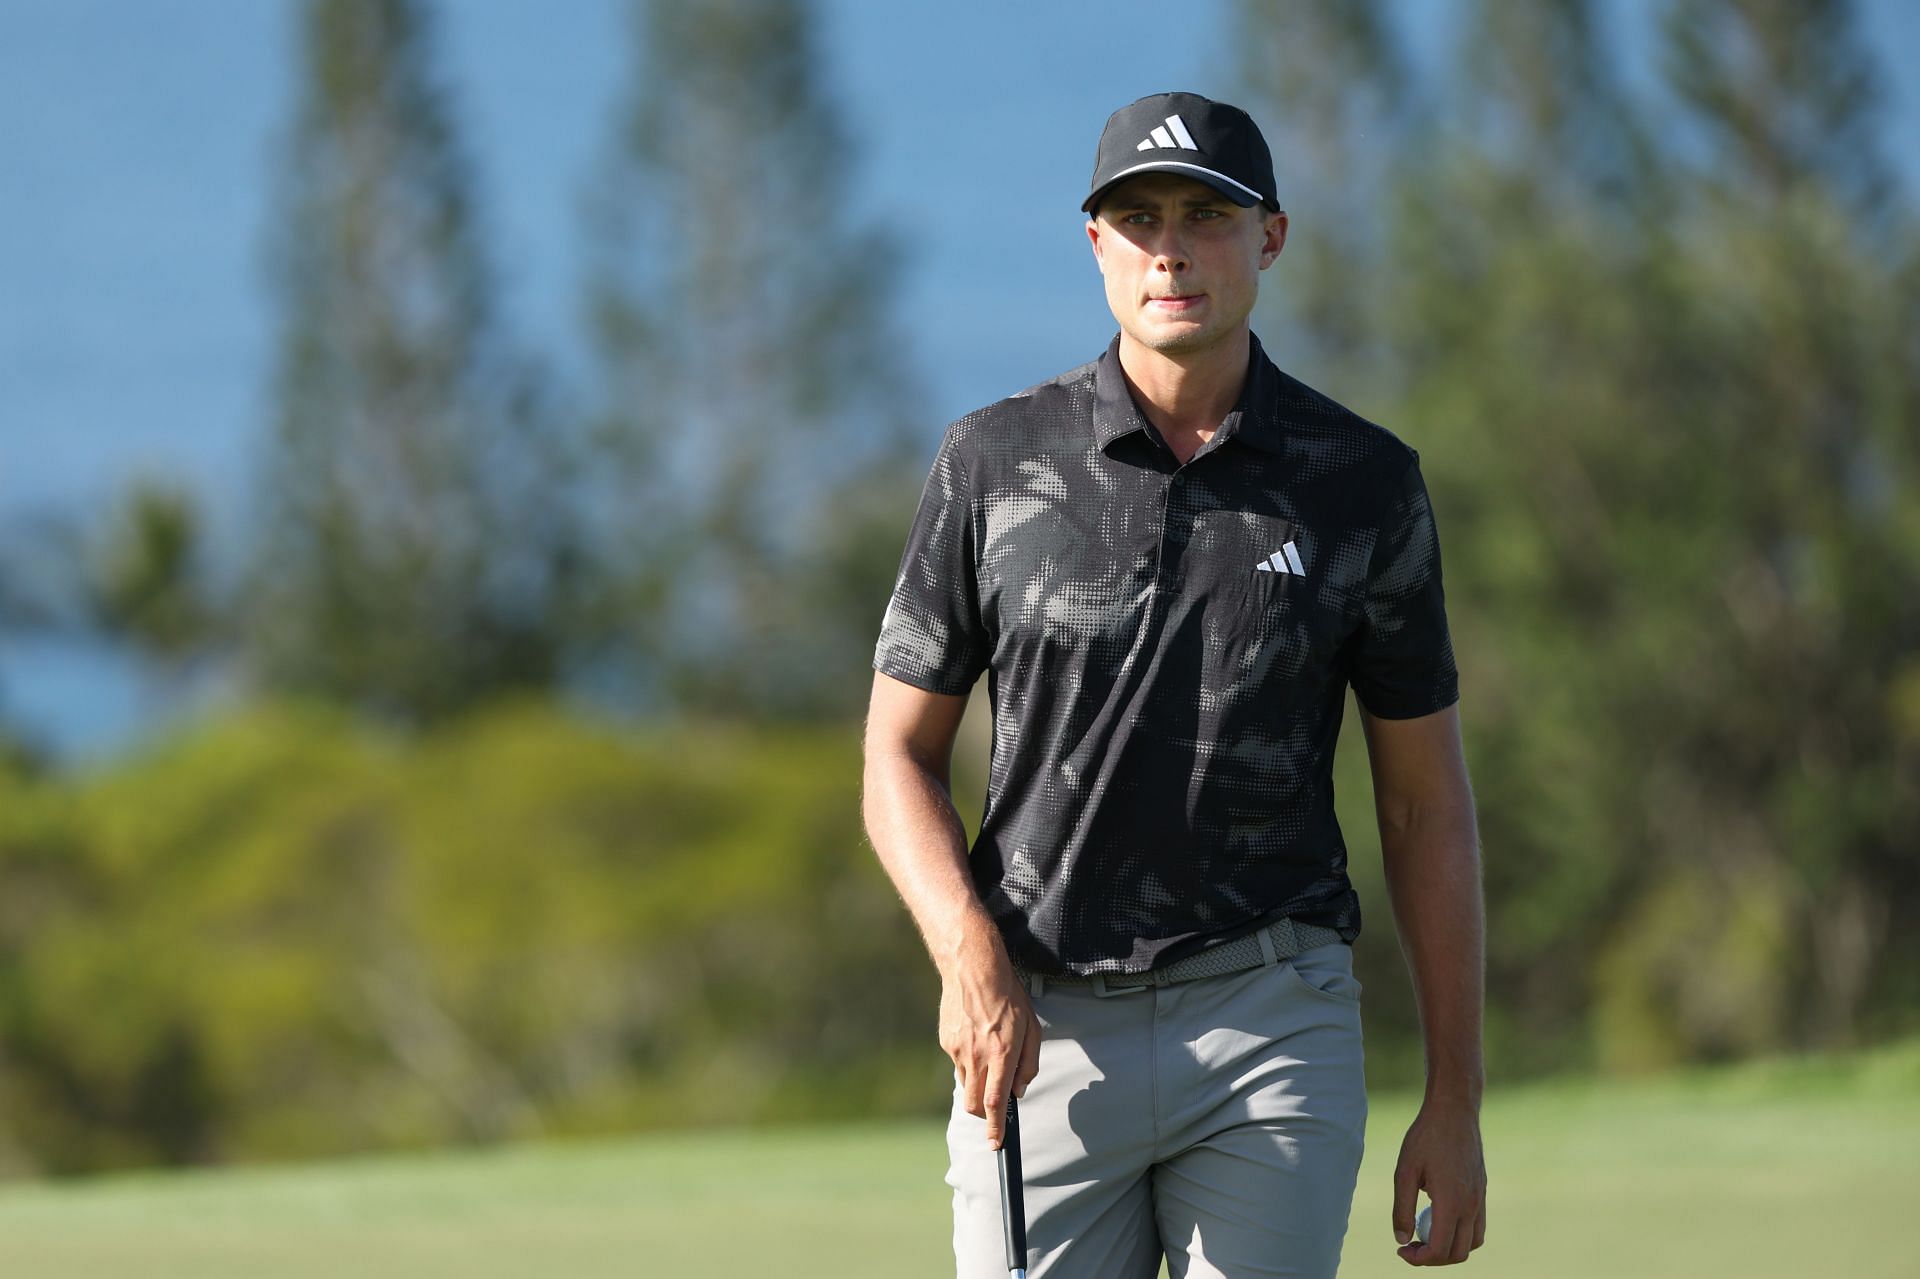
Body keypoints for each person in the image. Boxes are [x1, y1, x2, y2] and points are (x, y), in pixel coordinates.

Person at [861, 91, 1487, 1277]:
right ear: (1097, 243)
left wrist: (1455, 1099)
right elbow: (896, 755)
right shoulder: (992, 460)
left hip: (1271, 1018)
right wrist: (966, 954)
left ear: (1271, 238)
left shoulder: (1363, 482)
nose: (1173, 248)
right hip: (1038, 1027)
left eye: (1208, 214)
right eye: (1138, 218)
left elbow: (1424, 803)